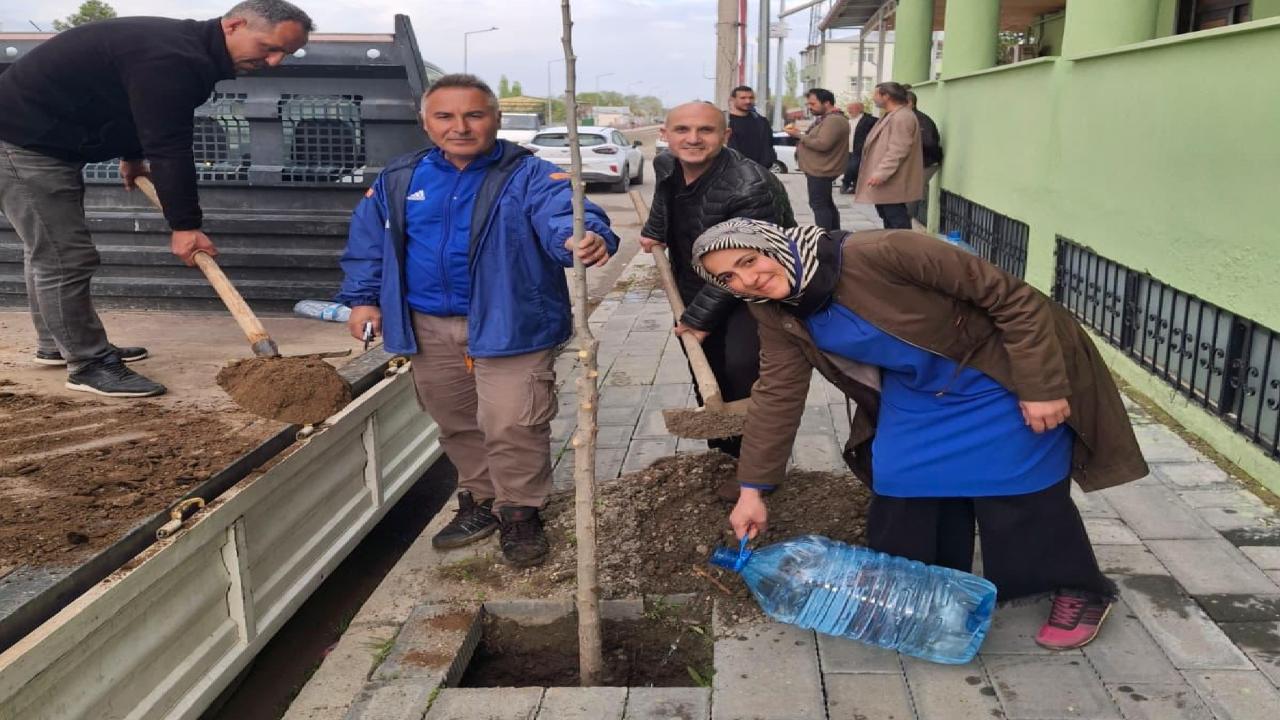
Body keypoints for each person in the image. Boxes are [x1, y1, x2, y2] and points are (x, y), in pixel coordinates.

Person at [691, 218, 1148, 651]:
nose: (746, 280)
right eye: (728, 278)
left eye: (749, 261)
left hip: (999, 374)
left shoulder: (885, 252)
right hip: (919, 387)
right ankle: (927, 587)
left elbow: (1015, 300)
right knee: (898, 480)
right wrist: (753, 489)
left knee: (1016, 483)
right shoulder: (773, 311)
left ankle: (1077, 587)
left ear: (775, 244)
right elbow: (778, 392)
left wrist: (1041, 386)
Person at [337, 74, 619, 567]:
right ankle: (481, 499)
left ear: (496, 120)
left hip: (511, 321)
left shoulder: (528, 175)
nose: (460, 127)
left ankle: (521, 510)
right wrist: (363, 299)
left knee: (512, 421)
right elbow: (368, 243)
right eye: (445, 116)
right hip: (427, 325)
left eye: (474, 115)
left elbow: (566, 213)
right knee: (456, 420)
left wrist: (582, 238)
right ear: (426, 123)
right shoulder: (400, 178)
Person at [0, 0, 312, 397]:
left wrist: (132, 156)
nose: (275, 62)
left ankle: (57, 344)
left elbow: (132, 104)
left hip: (46, 141)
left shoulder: (185, 50)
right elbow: (171, 146)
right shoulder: (174, 57)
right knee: (64, 256)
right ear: (234, 25)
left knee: (48, 249)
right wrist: (185, 226)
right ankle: (89, 363)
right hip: (20, 141)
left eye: (286, 53)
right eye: (269, 48)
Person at [640, 102, 794, 464]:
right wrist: (654, 230)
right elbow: (665, 195)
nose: (693, 139)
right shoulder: (666, 163)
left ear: (725, 136)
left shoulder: (750, 185)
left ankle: (755, 468)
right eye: (682, 130)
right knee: (706, 368)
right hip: (694, 283)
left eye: (705, 131)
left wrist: (699, 318)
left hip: (756, 294)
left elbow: (746, 268)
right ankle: (724, 453)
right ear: (666, 135)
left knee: (743, 370)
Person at [855, 82, 923, 230]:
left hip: (892, 180)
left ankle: (902, 251)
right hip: (887, 180)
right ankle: (893, 249)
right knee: (888, 217)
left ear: (886, 96)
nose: (873, 98)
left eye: (876, 94)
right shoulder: (893, 115)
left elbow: (898, 149)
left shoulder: (902, 117)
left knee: (896, 219)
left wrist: (881, 173)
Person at [784, 88, 849, 231]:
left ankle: (825, 237)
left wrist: (799, 135)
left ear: (826, 103)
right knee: (826, 204)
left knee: (819, 205)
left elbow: (822, 144)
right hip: (820, 168)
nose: (810, 107)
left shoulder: (833, 120)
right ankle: (833, 234)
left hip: (821, 169)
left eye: (813, 104)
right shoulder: (829, 119)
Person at [906, 89, 943, 219]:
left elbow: (928, 143)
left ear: (910, 103)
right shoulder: (910, 118)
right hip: (917, 162)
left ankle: (906, 225)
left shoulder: (921, 120)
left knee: (913, 192)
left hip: (926, 162)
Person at [725, 85, 777, 170]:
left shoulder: (761, 122)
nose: (748, 101)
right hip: (732, 171)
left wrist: (767, 162)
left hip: (760, 171)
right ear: (732, 99)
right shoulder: (725, 122)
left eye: (751, 98)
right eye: (743, 98)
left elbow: (769, 144)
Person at [839, 101, 878, 194]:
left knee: (852, 167)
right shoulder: (848, 120)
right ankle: (855, 187)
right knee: (853, 168)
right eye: (848, 108)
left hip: (860, 149)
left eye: (852, 108)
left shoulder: (870, 120)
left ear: (860, 109)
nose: (849, 110)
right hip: (848, 149)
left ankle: (846, 183)